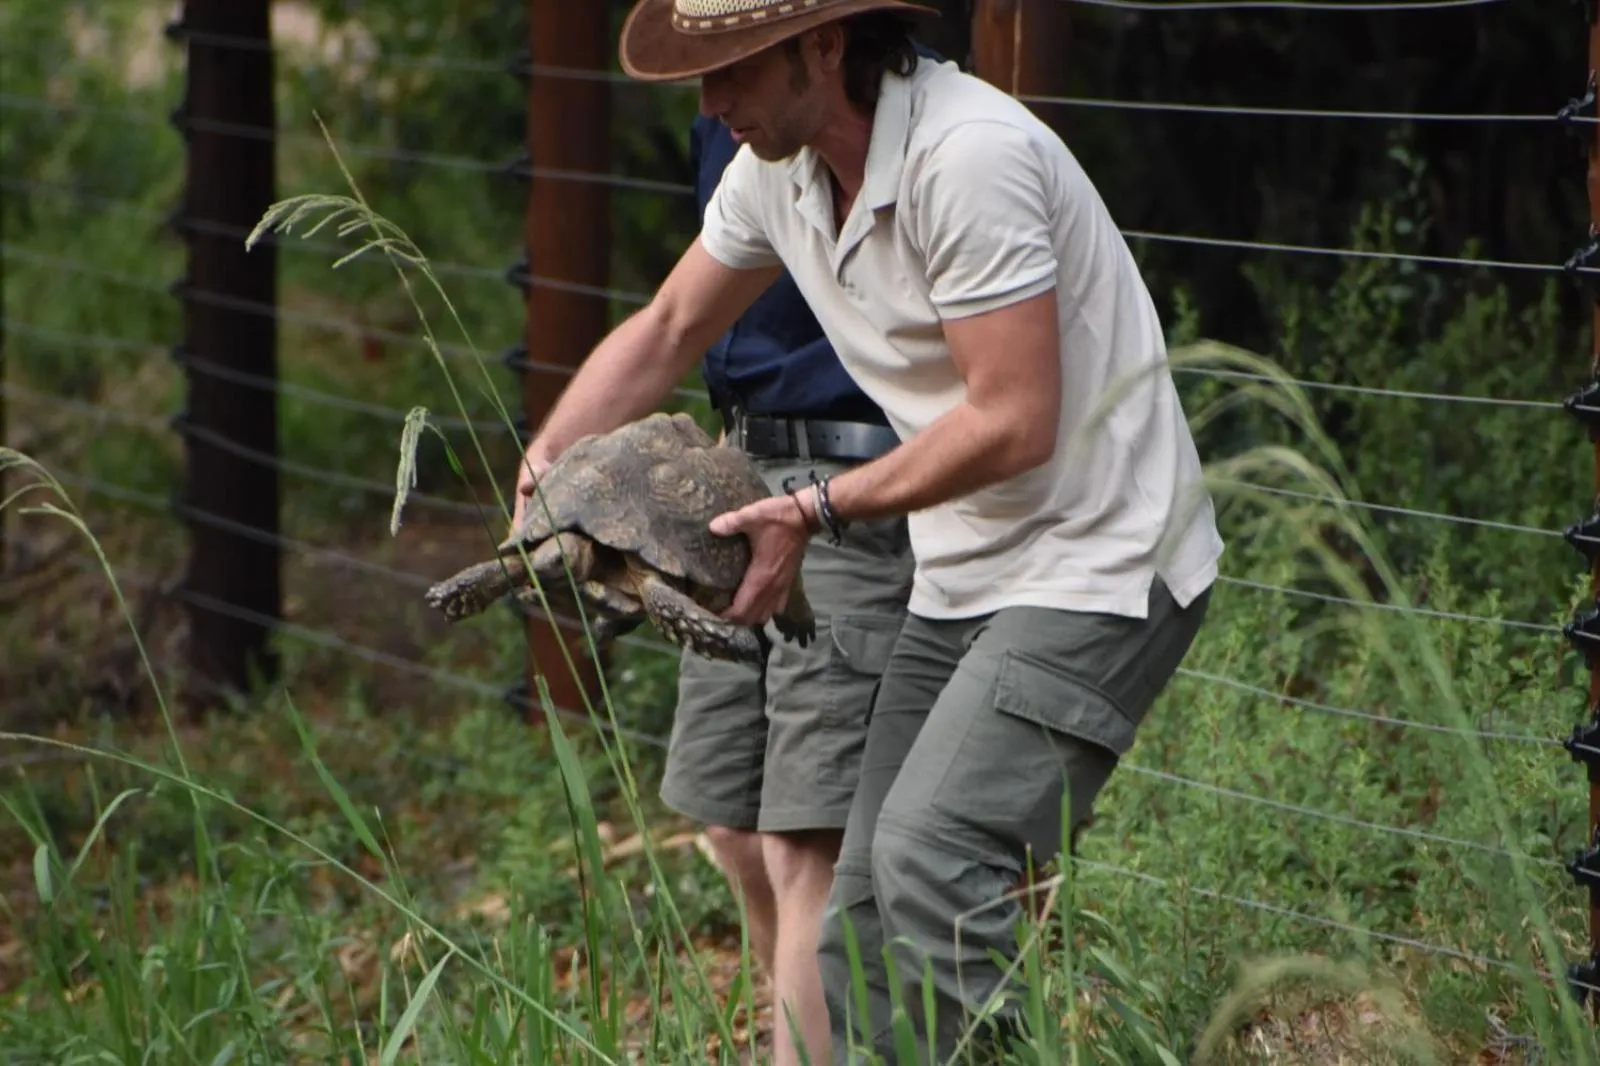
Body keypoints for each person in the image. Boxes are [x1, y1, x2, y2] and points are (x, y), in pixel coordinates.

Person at [512, 1, 1226, 1061]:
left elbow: (1015, 418)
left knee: (934, 853)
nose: (711, 105)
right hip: (965, 565)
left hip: (1102, 560)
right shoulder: (778, 174)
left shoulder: (966, 158)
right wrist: (538, 482)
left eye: (734, 72)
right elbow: (668, 326)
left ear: (823, 44)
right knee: (861, 911)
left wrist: (819, 507)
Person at [663, 112, 916, 1063]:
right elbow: (677, 320)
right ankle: (810, 1036)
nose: (715, 82)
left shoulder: (883, 114)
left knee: (804, 842)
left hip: (851, 480)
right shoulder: (727, 113)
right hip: (737, 469)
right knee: (731, 825)